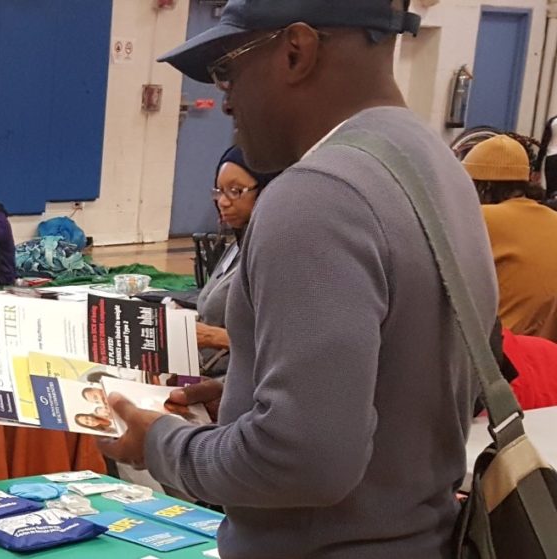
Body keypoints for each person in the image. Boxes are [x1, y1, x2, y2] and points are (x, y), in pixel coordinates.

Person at [98, 1, 498, 558]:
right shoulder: (434, 166)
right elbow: (401, 392)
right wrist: (249, 398)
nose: (226, 100)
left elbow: (303, 461)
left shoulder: (317, 195)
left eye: (228, 70)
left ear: (296, 51)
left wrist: (161, 443)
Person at [463, 134, 557, 342]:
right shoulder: (553, 219)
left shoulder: (481, 219)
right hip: (546, 353)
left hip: (498, 351)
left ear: (483, 186)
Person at [197, 146, 278, 378]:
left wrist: (212, 337)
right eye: (219, 191)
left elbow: (280, 347)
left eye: (235, 191)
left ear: (266, 191)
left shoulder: (274, 257)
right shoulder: (237, 245)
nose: (223, 201)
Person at [535, 114, 557, 197]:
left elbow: (544, 144)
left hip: (552, 158)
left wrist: (537, 168)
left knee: (551, 192)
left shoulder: (553, 121)